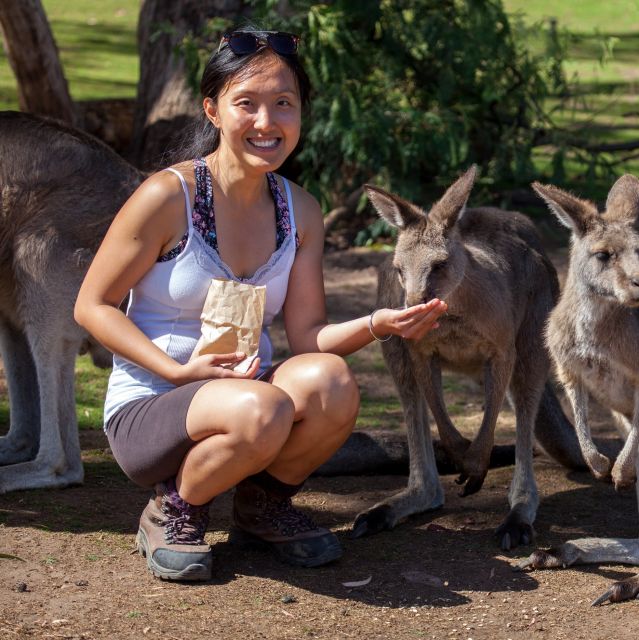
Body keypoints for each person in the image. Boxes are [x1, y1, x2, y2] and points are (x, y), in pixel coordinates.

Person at [74, 26, 447, 582]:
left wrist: (379, 324)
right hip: (153, 405)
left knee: (332, 383)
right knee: (263, 408)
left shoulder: (301, 211)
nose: (266, 123)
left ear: (301, 114)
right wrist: (177, 369)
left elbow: (309, 338)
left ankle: (262, 506)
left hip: (247, 400)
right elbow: (92, 306)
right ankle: (173, 508)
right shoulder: (166, 196)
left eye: (283, 104)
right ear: (213, 110)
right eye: (245, 104)